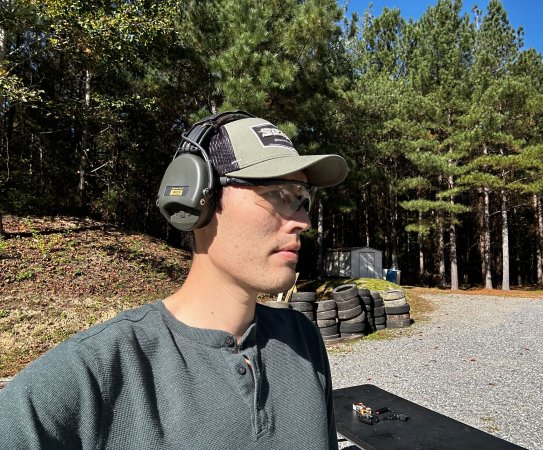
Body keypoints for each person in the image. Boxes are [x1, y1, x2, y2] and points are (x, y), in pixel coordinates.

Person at [0, 111, 348, 449]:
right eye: (279, 195)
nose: (302, 220)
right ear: (199, 199)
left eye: (303, 200)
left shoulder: (303, 338)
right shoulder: (93, 372)